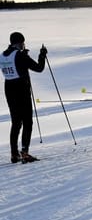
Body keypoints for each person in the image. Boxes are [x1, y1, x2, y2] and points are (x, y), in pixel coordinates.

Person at [0, 32, 47, 163]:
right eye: (23, 42)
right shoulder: (20, 55)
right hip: (22, 90)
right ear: (20, 43)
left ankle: (14, 154)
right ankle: (25, 152)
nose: (23, 45)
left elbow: (15, 65)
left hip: (9, 89)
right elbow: (39, 68)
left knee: (15, 123)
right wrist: (42, 55)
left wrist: (23, 56)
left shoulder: (3, 55)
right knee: (27, 122)